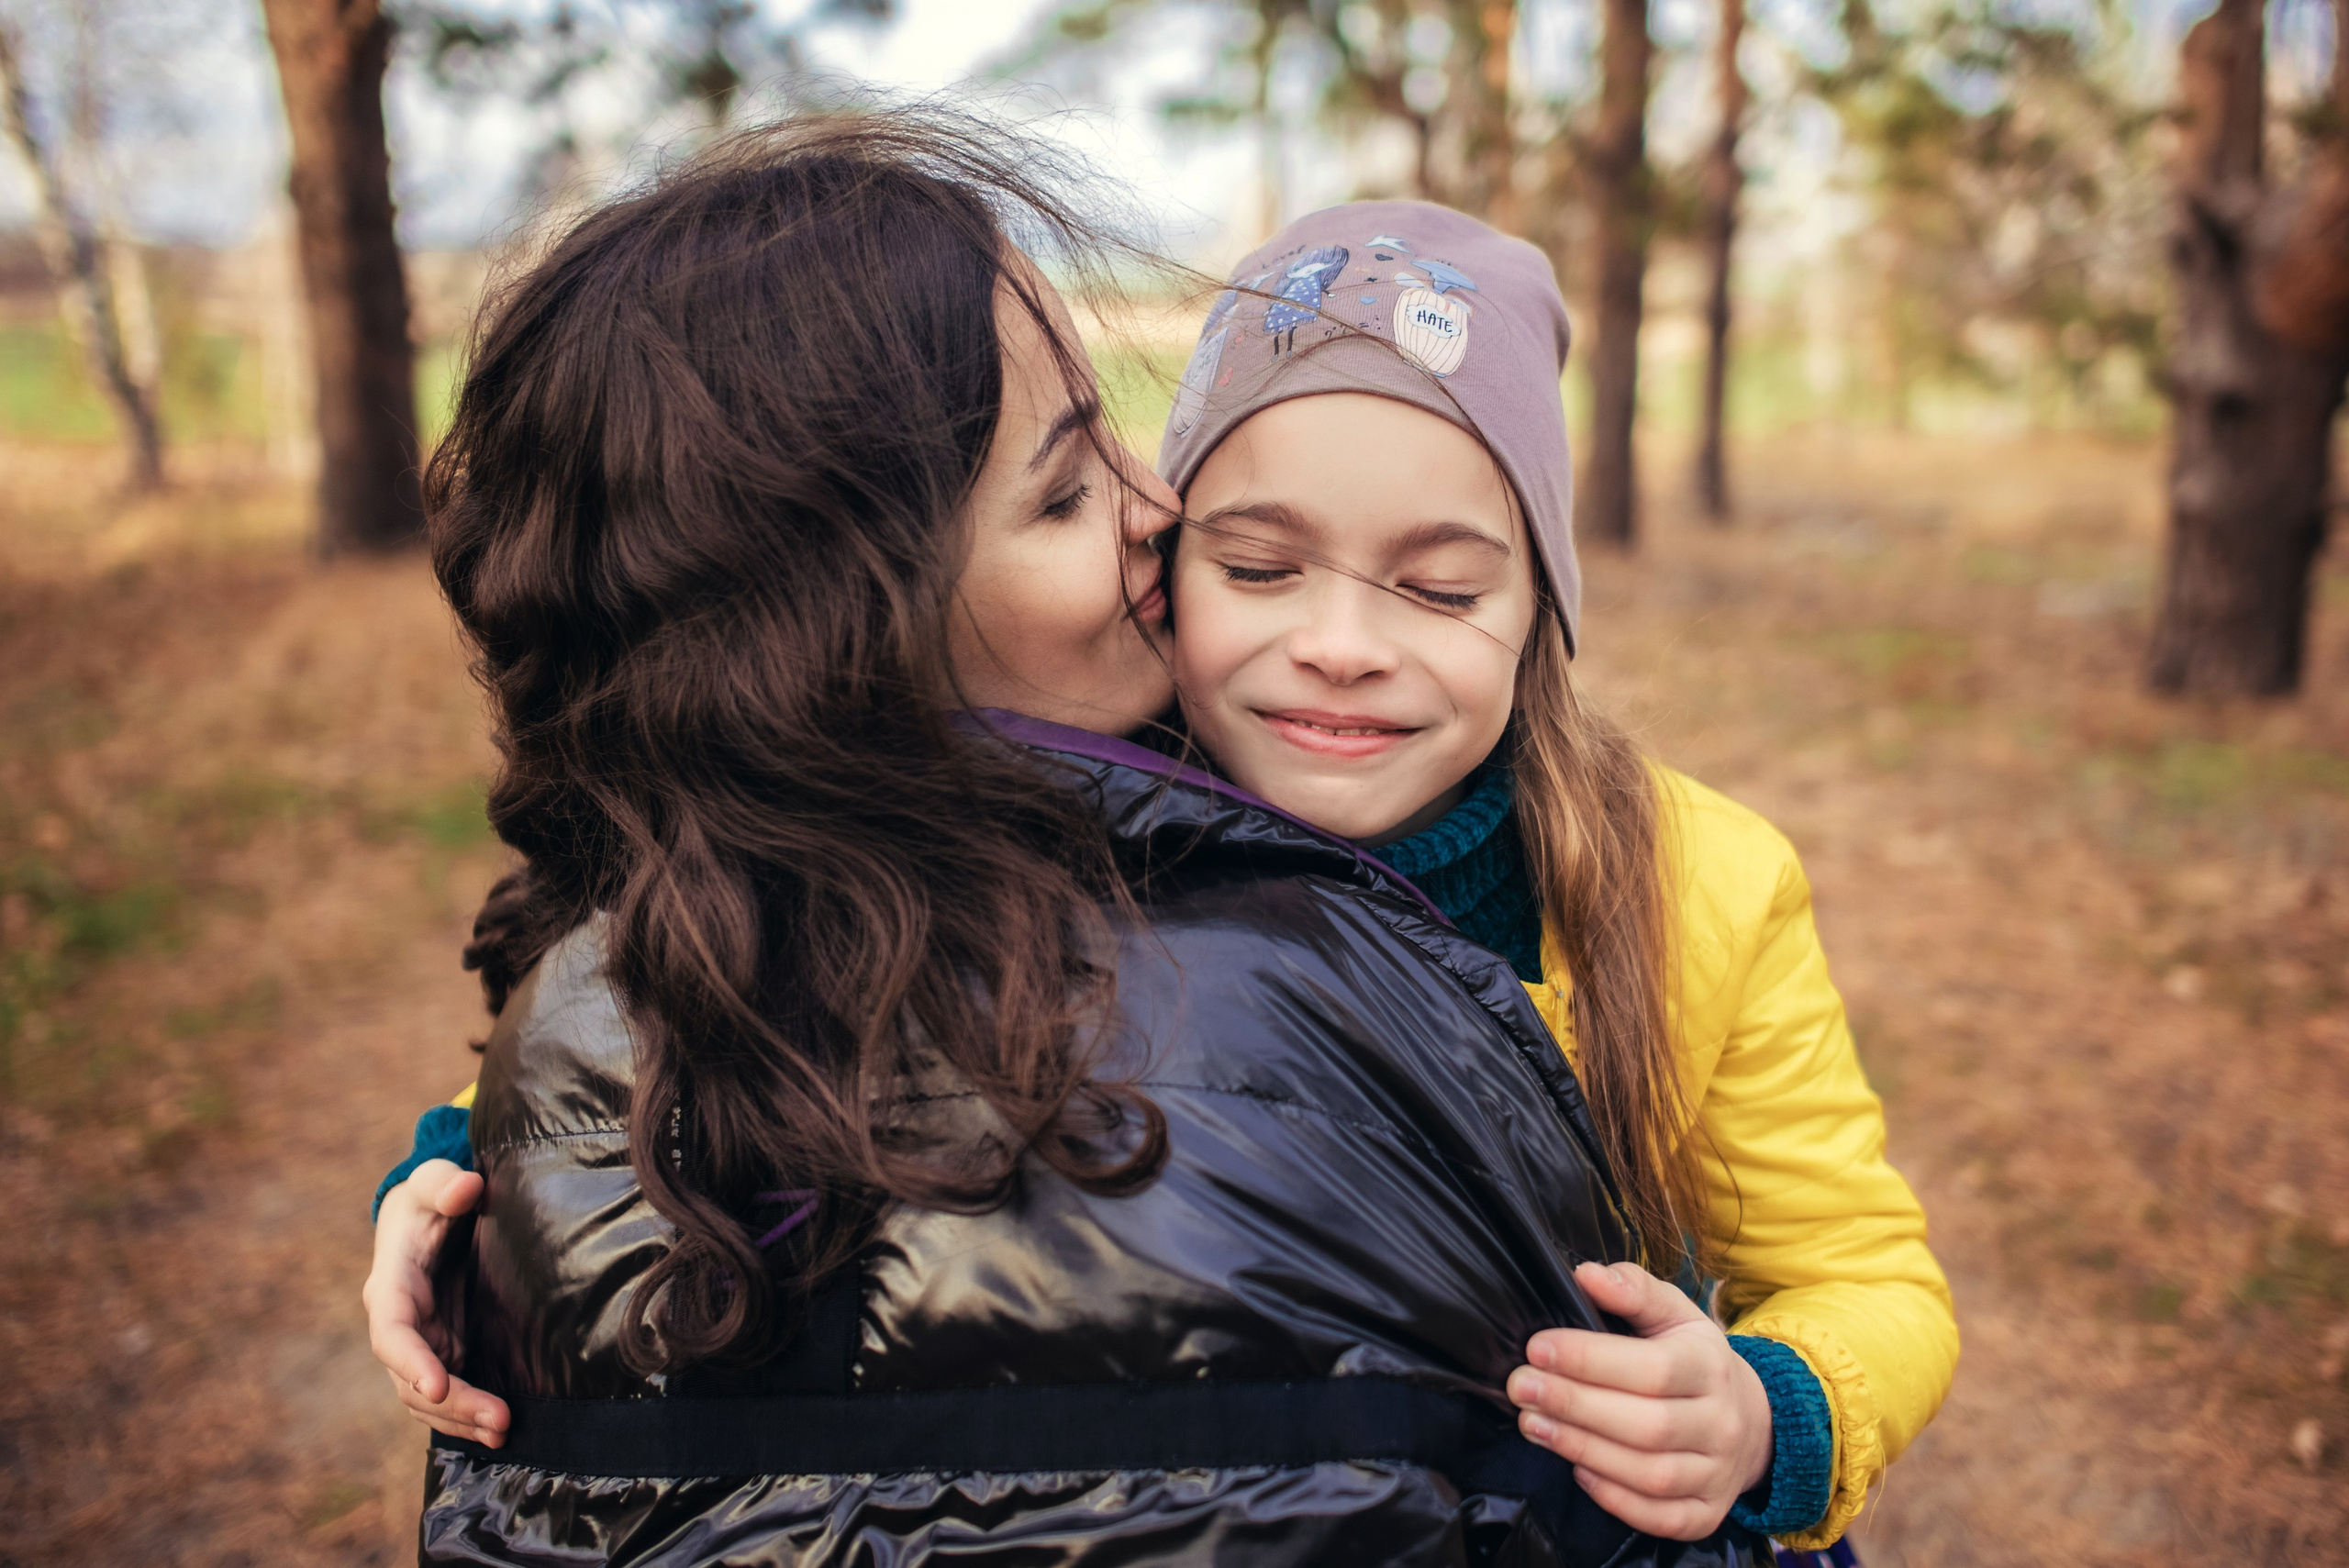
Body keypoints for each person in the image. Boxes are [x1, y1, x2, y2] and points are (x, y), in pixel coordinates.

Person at [367, 114, 1772, 1567]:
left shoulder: (1231, 793)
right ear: (841, 625)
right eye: (1064, 487)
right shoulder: (1250, 935)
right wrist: (472, 1161)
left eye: (1114, 433)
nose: (1162, 504)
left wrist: (496, 1174)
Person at [1152, 203, 1957, 1551]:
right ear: (1167, 569)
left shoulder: (1695, 890)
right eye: (1259, 568)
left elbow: (1862, 1272)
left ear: (1540, 613)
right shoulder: (1066, 856)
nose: (1341, 643)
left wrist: (1764, 1411)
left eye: (1441, 589)